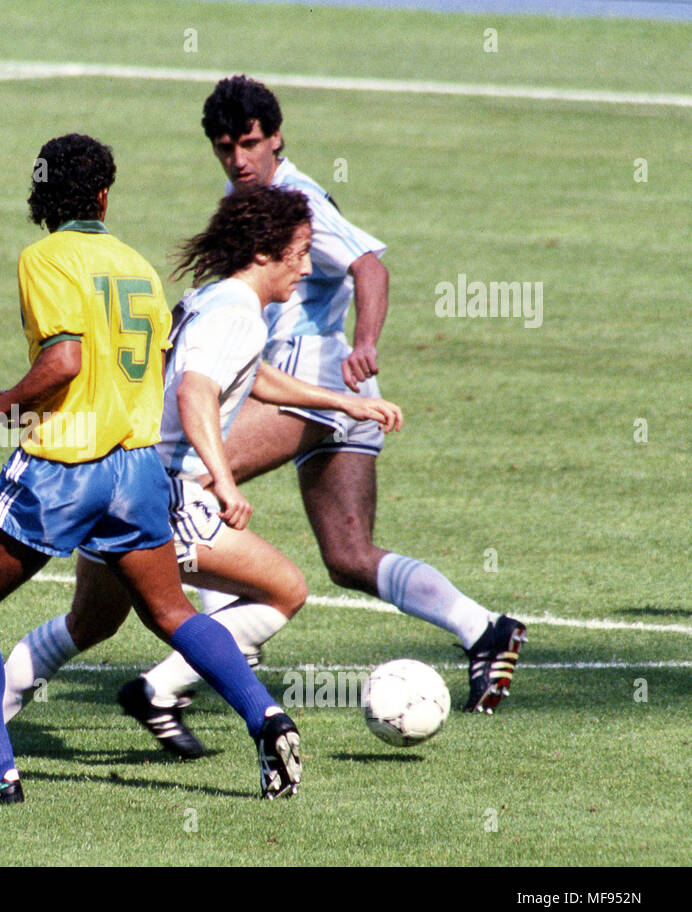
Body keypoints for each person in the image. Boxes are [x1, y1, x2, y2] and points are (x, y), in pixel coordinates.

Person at [0, 184, 403, 761]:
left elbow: (249, 375)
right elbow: (195, 392)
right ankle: (165, 691)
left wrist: (344, 403)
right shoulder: (236, 313)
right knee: (282, 589)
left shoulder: (216, 301)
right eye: (301, 251)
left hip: (115, 468)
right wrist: (225, 480)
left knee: (92, 622)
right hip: (161, 488)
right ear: (265, 251)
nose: (307, 267)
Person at [0, 134, 302, 803]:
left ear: (41, 195)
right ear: (103, 195)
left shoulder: (44, 257)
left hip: (66, 463)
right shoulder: (135, 265)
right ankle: (267, 717)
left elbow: (64, 361)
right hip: (137, 469)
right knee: (169, 609)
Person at [185, 75, 525, 723]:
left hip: (313, 383)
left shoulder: (295, 197)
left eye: (250, 144)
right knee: (347, 556)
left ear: (277, 137)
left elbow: (370, 265)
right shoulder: (247, 194)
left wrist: (365, 340)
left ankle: (224, 642)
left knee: (189, 479)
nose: (239, 160)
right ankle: (485, 628)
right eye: (226, 148)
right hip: (341, 395)